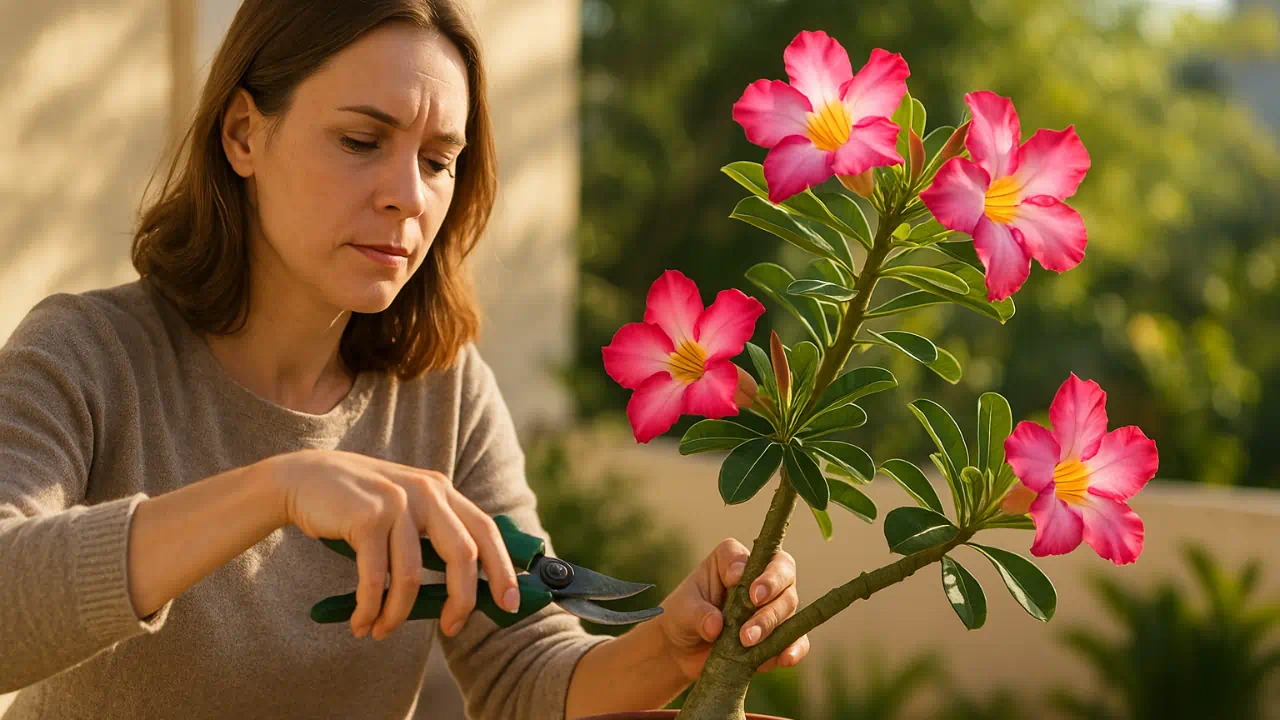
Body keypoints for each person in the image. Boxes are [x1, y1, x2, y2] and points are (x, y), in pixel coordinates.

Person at [0, 1, 809, 718]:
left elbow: (523, 671)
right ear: (244, 133)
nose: (409, 196)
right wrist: (277, 487)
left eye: (437, 160)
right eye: (361, 140)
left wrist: (671, 646)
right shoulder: (86, 354)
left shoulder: (444, 390)